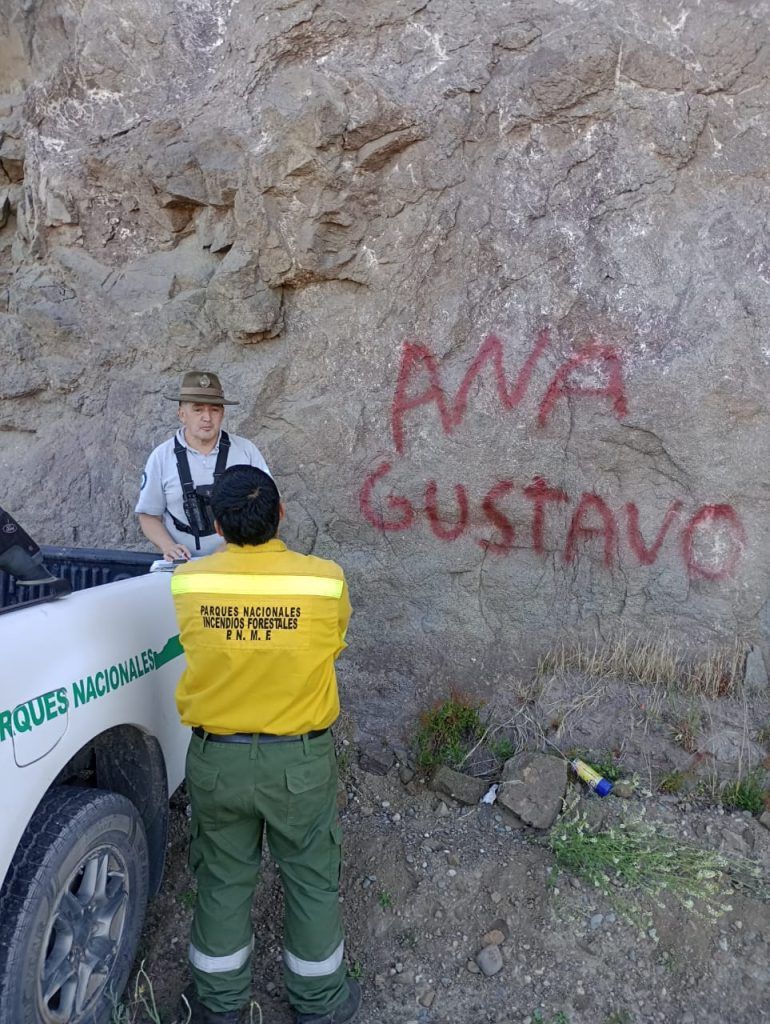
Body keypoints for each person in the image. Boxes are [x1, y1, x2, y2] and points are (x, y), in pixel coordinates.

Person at [169, 465, 359, 1024]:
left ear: (219, 527)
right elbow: (336, 642)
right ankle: (320, 1005)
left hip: (216, 760)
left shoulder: (190, 582)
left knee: (223, 880)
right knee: (310, 877)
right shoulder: (324, 581)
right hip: (298, 764)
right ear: (279, 515)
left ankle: (220, 1006)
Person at [135, 371, 270, 561]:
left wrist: (234, 547)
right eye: (198, 410)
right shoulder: (161, 457)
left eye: (214, 409)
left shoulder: (246, 451)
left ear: (222, 413)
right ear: (182, 414)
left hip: (239, 559)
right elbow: (148, 516)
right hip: (182, 564)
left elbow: (270, 509)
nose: (207, 417)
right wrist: (169, 547)